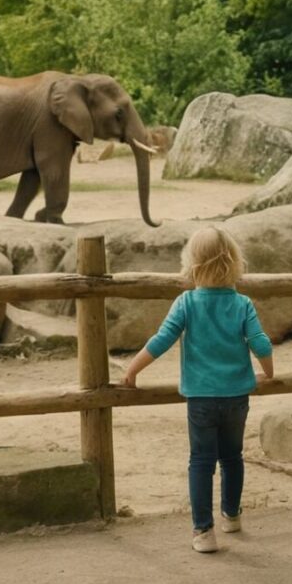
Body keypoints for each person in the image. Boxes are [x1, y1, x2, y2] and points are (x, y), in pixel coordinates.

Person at [122, 227, 274, 553]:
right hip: (237, 396)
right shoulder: (242, 303)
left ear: (191, 263)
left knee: (201, 461)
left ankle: (204, 532)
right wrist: (268, 372)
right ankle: (231, 515)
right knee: (232, 457)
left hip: (201, 399)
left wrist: (132, 370)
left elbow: (160, 341)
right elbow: (260, 343)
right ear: (233, 260)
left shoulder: (186, 303)